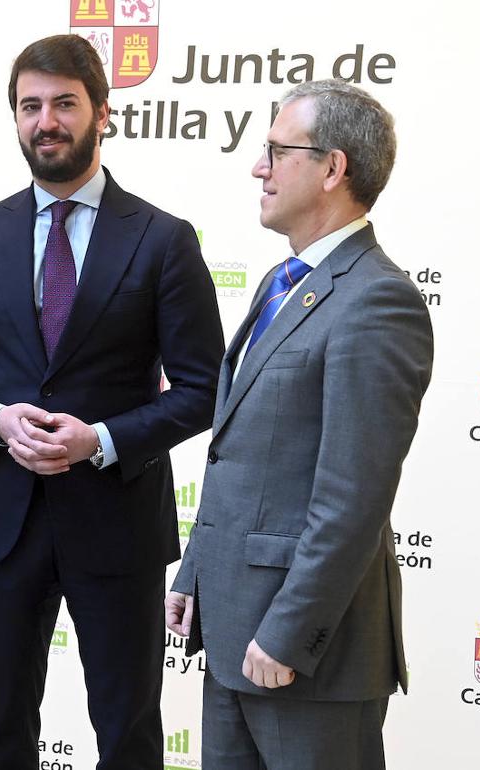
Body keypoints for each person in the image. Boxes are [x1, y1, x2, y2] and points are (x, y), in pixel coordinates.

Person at [0, 34, 224, 770]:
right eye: (30, 106)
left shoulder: (162, 239)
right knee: (0, 731)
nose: (45, 121)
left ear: (102, 113)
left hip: (116, 522)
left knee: (127, 733)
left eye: (63, 103)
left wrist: (103, 439)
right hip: (4, 525)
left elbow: (204, 389)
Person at [165, 79, 434, 769]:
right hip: (231, 637)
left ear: (333, 168)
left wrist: (290, 632)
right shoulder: (281, 283)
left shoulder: (379, 303)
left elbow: (353, 498)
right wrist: (197, 573)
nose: (259, 167)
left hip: (303, 658)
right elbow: (241, 455)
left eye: (277, 151)